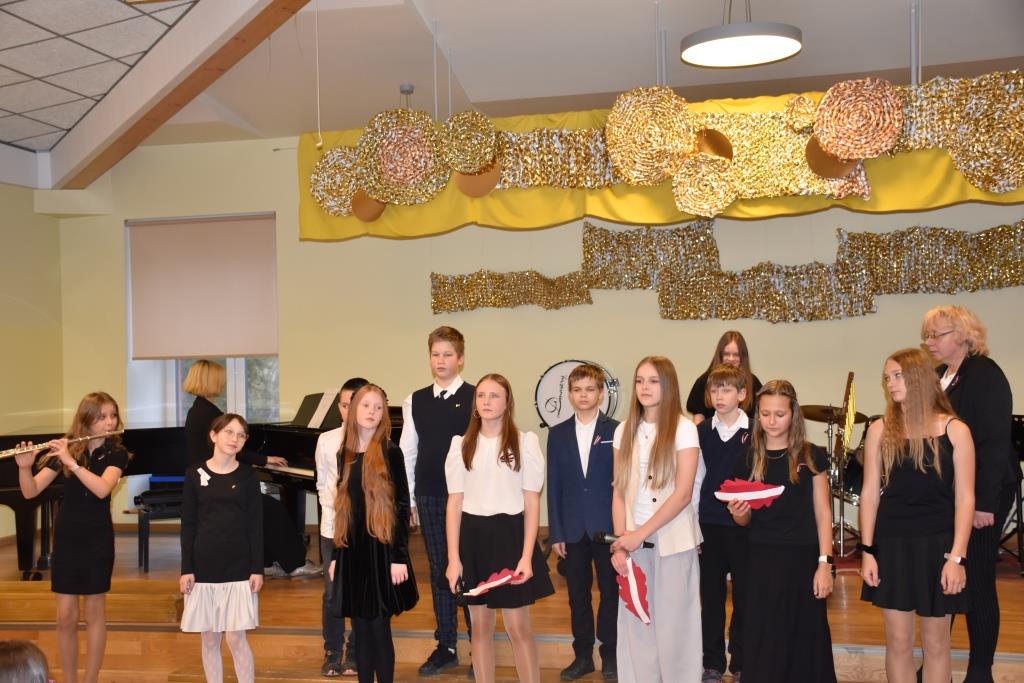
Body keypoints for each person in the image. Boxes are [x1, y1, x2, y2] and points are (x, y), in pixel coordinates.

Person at [859, 348, 975, 683]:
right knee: (898, 641)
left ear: (920, 378)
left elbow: (965, 498)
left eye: (898, 376)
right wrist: (867, 551)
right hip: (892, 543)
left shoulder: (955, 430)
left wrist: (957, 557)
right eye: (887, 378)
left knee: (937, 643)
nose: (891, 384)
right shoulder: (880, 429)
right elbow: (870, 494)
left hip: (938, 545)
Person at [922, 305, 1017, 683]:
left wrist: (983, 504)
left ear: (962, 336)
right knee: (946, 576)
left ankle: (980, 670)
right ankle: (936, 663)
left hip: (982, 492)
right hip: (951, 493)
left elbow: (994, 444)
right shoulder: (940, 376)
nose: (930, 342)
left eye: (937, 335)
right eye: (927, 335)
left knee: (976, 578)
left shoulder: (985, 375)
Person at [445, 373, 554, 683]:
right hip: (473, 540)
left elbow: (531, 502)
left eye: (494, 395)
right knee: (479, 628)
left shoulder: (525, 442)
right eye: (481, 395)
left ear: (507, 403)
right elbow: (454, 503)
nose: (487, 401)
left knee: (518, 627)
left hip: (510, 538)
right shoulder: (461, 445)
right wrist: (454, 559)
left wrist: (526, 556)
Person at [15, 392, 131, 683]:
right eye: (102, 417)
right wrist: (25, 467)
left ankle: (90, 680)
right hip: (67, 537)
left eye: (113, 415)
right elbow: (30, 491)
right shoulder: (69, 449)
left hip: (97, 538)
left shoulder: (117, 453)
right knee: (65, 616)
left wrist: (73, 463)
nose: (109, 422)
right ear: (86, 420)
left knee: (94, 613)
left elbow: (102, 489)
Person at [727, 380, 836, 683]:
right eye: (765, 414)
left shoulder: (810, 455)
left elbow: (823, 513)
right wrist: (739, 514)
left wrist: (825, 563)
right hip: (760, 559)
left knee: (806, 636)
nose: (771, 421)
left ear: (793, 415)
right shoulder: (748, 458)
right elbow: (744, 521)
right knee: (765, 637)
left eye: (779, 414)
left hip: (803, 559)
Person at [610, 356, 704, 682]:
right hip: (631, 541)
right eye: (639, 381)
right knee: (637, 626)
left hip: (673, 542)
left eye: (653, 381)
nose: (644, 387)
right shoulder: (624, 430)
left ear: (668, 385)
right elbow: (618, 491)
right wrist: (621, 543)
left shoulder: (684, 429)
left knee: (677, 630)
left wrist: (640, 535)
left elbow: (683, 494)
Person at [182, 360, 318, 578]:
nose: (223, 383)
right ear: (211, 380)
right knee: (271, 509)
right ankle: (295, 563)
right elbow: (235, 450)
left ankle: (266, 561)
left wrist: (259, 461)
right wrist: (264, 459)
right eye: (220, 378)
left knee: (265, 509)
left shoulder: (199, 409)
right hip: (215, 483)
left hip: (213, 478)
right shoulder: (207, 413)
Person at [327, 384, 418, 683]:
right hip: (352, 551)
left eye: (378, 407)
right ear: (354, 409)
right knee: (361, 629)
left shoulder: (391, 452)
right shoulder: (344, 453)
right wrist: (336, 555)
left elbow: (401, 507)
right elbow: (343, 508)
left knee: (379, 628)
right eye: (366, 406)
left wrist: (398, 557)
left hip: (382, 550)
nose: (372, 412)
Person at [400, 326, 475, 675]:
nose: (441, 360)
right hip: (429, 494)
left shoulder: (477, 397)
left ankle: (478, 644)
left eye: (448, 354)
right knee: (438, 568)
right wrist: (409, 500)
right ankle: (446, 645)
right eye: (435, 354)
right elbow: (408, 452)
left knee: (469, 567)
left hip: (469, 497)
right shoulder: (414, 400)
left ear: (460, 359)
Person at [546, 363, 619, 680]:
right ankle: (583, 656)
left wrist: (623, 530)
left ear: (601, 393)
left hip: (608, 527)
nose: (584, 395)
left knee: (611, 594)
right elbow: (554, 486)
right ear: (570, 394)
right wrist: (556, 532)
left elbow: (624, 483)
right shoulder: (557, 433)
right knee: (578, 596)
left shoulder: (617, 430)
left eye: (590, 389)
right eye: (577, 390)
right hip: (573, 529)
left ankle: (611, 654)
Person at [180, 413, 264, 683]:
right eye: (229, 432)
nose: (234, 438)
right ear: (213, 435)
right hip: (204, 566)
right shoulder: (194, 474)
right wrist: (186, 569)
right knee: (209, 638)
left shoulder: (248, 476)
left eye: (241, 435)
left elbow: (255, 526)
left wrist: (257, 568)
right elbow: (188, 525)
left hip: (238, 567)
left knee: (236, 637)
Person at [696, 364, 751, 683]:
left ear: (741, 394)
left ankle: (741, 659)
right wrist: (693, 525)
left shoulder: (755, 430)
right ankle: (712, 662)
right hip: (709, 523)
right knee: (712, 597)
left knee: (744, 595)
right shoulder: (702, 431)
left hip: (744, 526)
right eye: (715, 389)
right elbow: (695, 481)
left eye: (727, 389)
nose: (719, 395)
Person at [315, 377, 368, 677]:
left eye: (356, 404)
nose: (350, 410)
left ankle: (356, 651)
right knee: (333, 592)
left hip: (364, 530)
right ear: (339, 407)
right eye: (346, 405)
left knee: (361, 591)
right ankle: (332, 650)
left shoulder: (376, 440)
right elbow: (323, 484)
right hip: (333, 528)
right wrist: (336, 519)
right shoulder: (326, 440)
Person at [686, 331, 762, 425]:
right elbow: (698, 419)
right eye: (726, 354)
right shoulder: (704, 381)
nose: (731, 359)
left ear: (743, 357)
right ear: (720, 355)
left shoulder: (753, 382)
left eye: (736, 355)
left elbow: (760, 417)